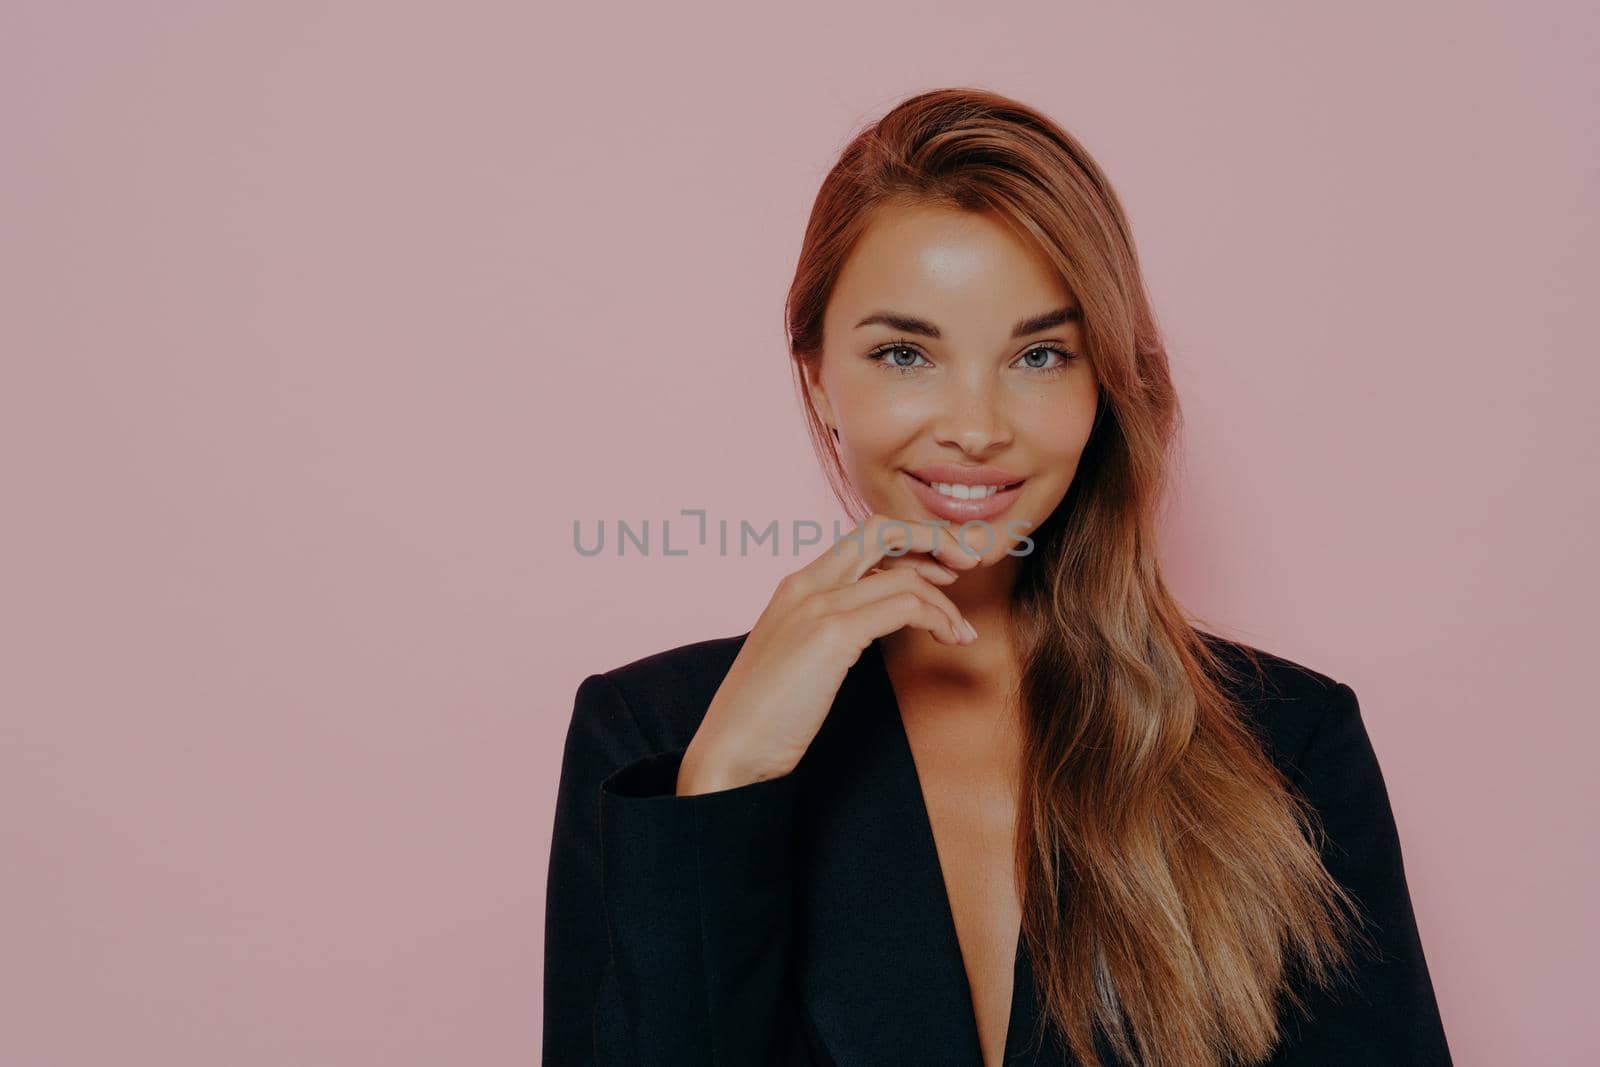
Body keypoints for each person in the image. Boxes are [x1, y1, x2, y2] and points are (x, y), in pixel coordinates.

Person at [542, 87, 1453, 1066]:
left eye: (1039, 353)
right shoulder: (651, 738)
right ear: (816, 376)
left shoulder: (1289, 739)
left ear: (1103, 380)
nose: (975, 426)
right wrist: (725, 780)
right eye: (904, 352)